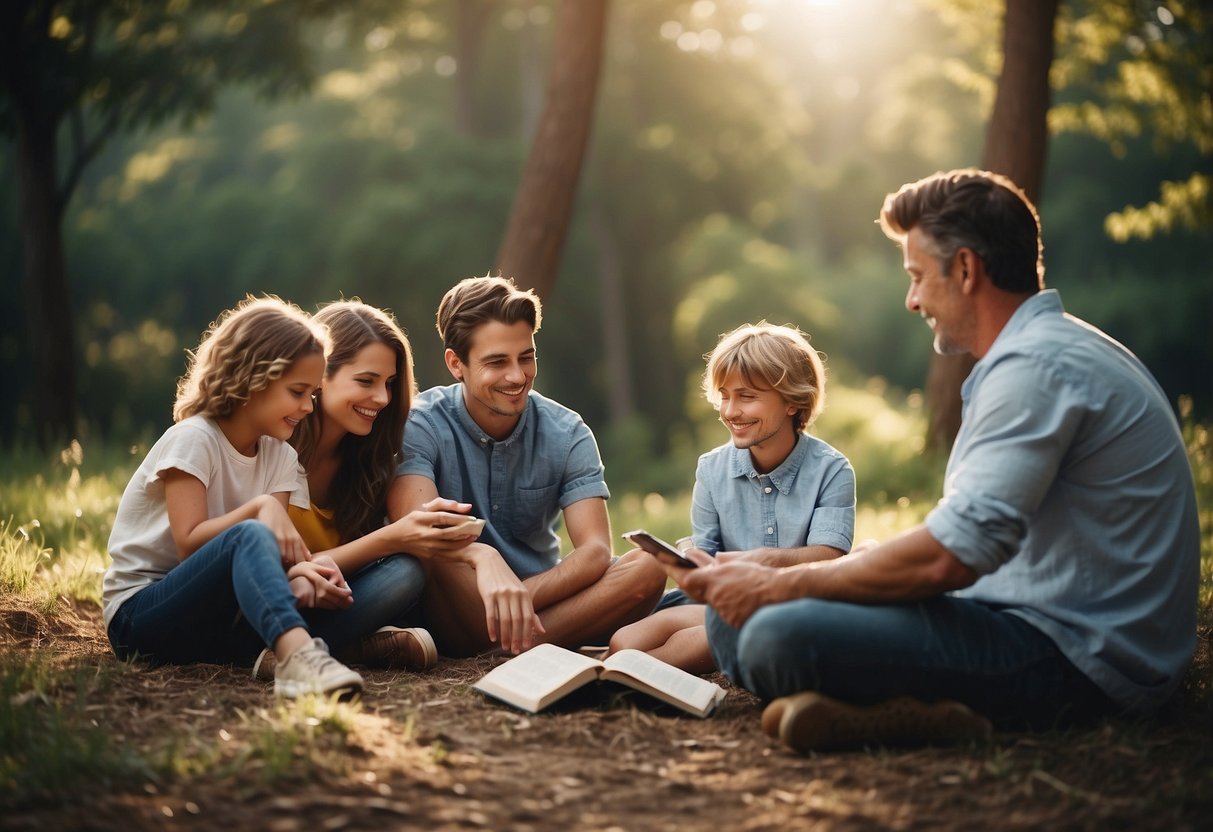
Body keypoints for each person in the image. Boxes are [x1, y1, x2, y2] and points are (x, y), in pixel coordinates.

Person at [662, 169, 1201, 753]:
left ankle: (910, 707)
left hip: (1080, 656)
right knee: (730, 622)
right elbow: (971, 531)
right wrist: (822, 575)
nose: (912, 298)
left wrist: (780, 587)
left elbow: (950, 559)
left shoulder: (1037, 371)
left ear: (966, 270)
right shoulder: (1036, 355)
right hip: (1021, 614)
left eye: (918, 276)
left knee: (774, 636)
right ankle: (909, 709)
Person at [388, 275, 668, 657]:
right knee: (431, 545)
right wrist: (484, 566)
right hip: (454, 605)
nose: (518, 376)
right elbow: (419, 530)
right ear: (456, 364)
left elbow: (595, 551)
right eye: (497, 362)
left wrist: (516, 597)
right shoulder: (420, 423)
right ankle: (542, 640)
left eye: (526, 356)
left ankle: (516, 643)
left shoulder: (568, 433)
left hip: (541, 601)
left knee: (650, 565)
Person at [103, 296, 364, 699]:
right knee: (249, 532)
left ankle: (283, 649)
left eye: (313, 393)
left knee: (392, 579)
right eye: (297, 391)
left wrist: (301, 574)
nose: (308, 407)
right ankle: (298, 658)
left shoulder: (281, 455)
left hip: (222, 615)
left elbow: (272, 553)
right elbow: (190, 544)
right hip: (141, 616)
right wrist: (259, 509)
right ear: (251, 378)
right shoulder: (195, 439)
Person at [609, 322, 855, 673]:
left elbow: (829, 556)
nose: (730, 411)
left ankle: (620, 679)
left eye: (747, 396)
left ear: (793, 401)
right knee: (624, 641)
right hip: (721, 603)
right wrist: (689, 562)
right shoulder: (711, 469)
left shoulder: (832, 470)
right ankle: (623, 671)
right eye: (724, 395)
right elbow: (705, 556)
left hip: (792, 604)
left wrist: (757, 561)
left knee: (687, 644)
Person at [252, 301, 480, 679]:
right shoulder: (272, 444)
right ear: (319, 374)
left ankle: (319, 648)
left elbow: (344, 577)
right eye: (366, 381)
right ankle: (342, 647)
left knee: (406, 573)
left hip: (321, 602)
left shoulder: (371, 464)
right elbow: (263, 571)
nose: (383, 399)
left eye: (389, 384)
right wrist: (393, 537)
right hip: (259, 603)